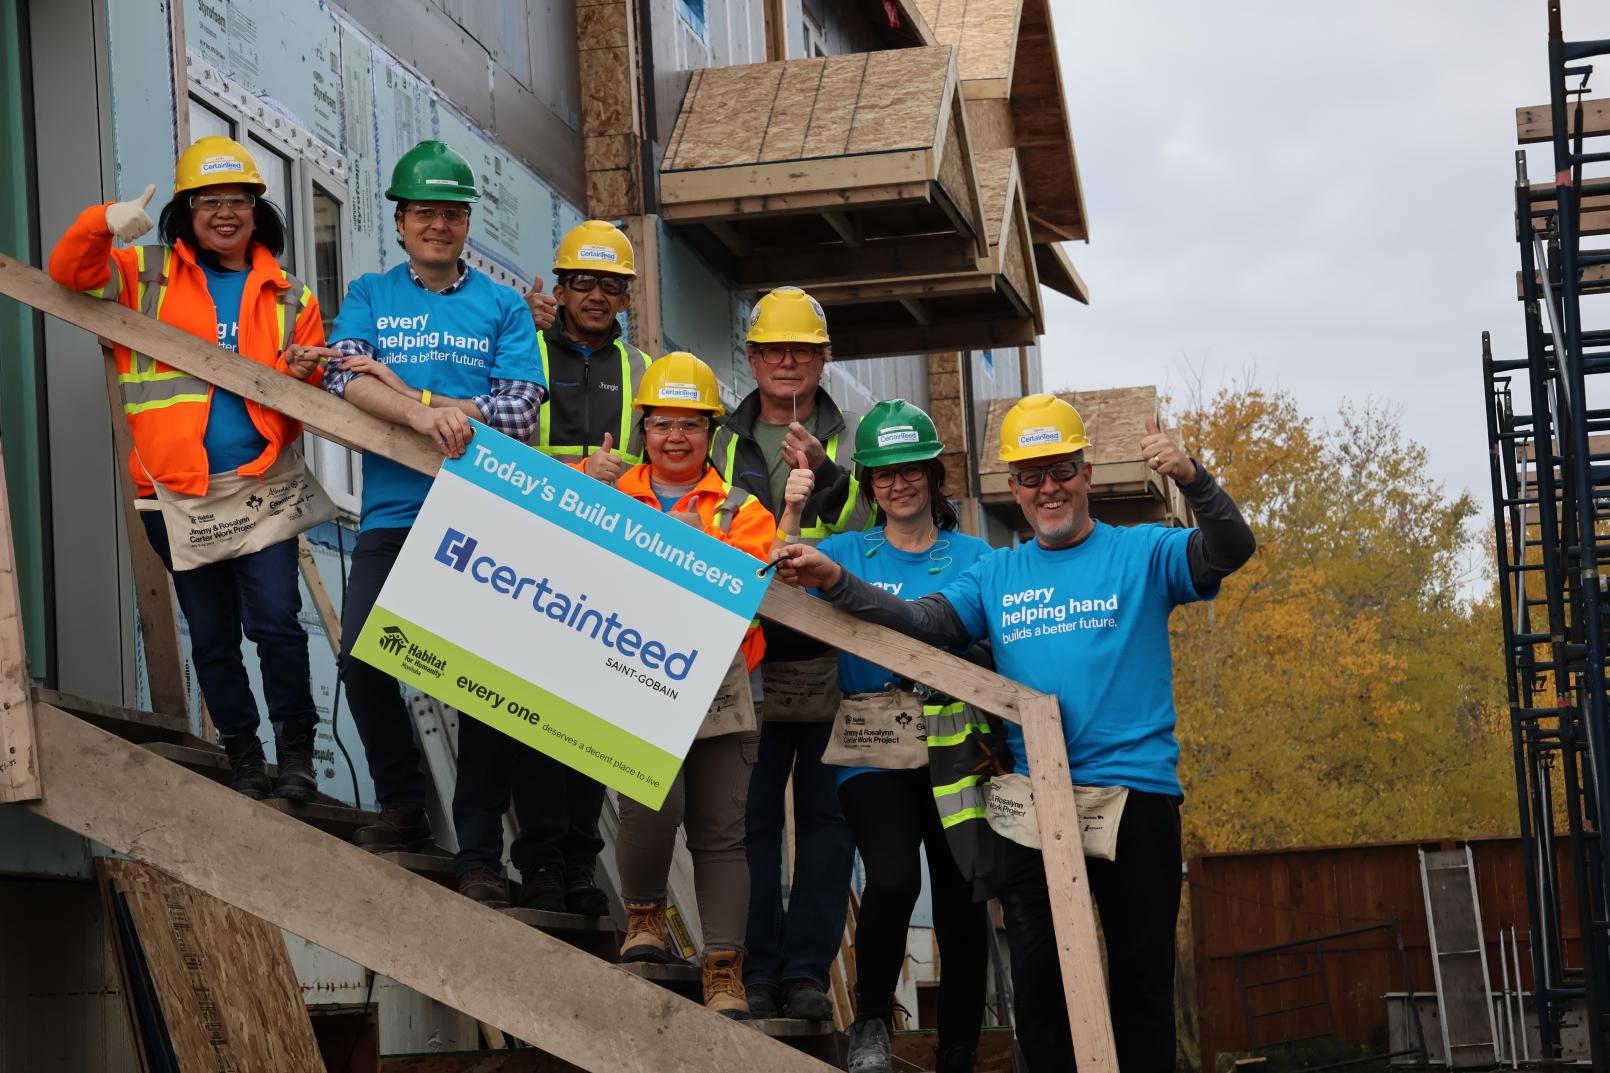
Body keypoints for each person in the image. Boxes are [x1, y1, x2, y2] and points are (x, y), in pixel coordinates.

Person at [776, 393, 1256, 1072]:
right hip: (1033, 805)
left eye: (1060, 470)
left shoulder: (1144, 553)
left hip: (1134, 797)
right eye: (1030, 477)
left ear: (1085, 471)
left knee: (1140, 979)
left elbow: (1232, 549)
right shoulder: (997, 573)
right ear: (1013, 488)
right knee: (1040, 987)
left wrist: (1192, 478)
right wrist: (836, 578)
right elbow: (922, 622)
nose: (1047, 488)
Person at [48, 135, 332, 801]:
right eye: (210, 201)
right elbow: (67, 273)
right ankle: (243, 754)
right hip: (172, 492)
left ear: (258, 211)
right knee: (210, 633)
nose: (226, 213)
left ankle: (296, 754)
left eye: (239, 200)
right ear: (187, 209)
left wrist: (303, 377)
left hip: (261, 484)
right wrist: (99, 223)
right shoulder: (143, 273)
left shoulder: (292, 295)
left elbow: (318, 390)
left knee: (276, 621)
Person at [323, 139, 546, 855]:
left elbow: (518, 413)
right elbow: (339, 379)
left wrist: (409, 389)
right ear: (400, 221)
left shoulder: (504, 307)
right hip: (392, 514)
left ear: (465, 222)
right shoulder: (369, 294)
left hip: (481, 518)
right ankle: (402, 803)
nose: (438, 225)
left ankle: (480, 848)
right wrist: (425, 415)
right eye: (424, 212)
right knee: (362, 656)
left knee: (482, 687)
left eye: (451, 213)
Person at [595, 351, 812, 1020]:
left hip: (723, 684)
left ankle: (723, 969)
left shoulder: (743, 510)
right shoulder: (602, 490)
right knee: (647, 808)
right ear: (643, 428)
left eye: (691, 424)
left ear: (712, 432)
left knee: (721, 830)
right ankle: (645, 921)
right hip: (636, 675)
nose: (675, 437)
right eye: (662, 423)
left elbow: (754, 589)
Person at [449, 221, 653, 914]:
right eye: (584, 283)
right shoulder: (522, 347)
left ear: (627, 295)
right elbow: (492, 439)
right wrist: (580, 474)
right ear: (559, 288)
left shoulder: (644, 372)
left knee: (591, 718)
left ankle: (576, 860)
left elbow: (659, 464)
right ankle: (539, 860)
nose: (598, 296)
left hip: (604, 559)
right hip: (524, 549)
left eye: (612, 285)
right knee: (533, 713)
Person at [814, 400, 993, 1073]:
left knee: (961, 894)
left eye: (910, 469)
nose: (898, 484)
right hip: (872, 733)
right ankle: (869, 1027)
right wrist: (795, 505)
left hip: (956, 736)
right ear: (867, 483)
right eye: (883, 474)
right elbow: (769, 563)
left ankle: (959, 1053)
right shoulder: (845, 553)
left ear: (932, 473)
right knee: (890, 878)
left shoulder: (975, 555)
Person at [712, 286, 868, 1021]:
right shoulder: (720, 436)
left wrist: (829, 482)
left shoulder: (858, 435)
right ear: (752, 358)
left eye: (801, 350)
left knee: (829, 826)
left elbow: (880, 529)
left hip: (832, 656)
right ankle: (758, 967)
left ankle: (807, 971)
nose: (787, 362)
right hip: (745, 660)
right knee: (748, 822)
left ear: (822, 358)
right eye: (773, 349)